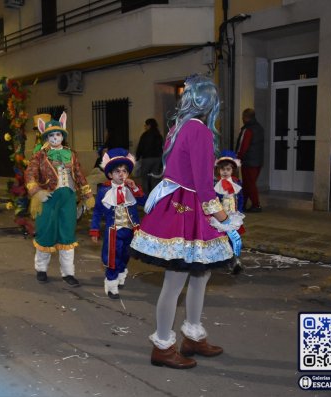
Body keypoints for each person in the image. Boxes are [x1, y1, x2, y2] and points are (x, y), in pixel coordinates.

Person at [130, 75, 243, 369]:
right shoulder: (200, 131)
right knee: (176, 280)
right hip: (190, 208)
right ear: (210, 102)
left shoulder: (178, 128)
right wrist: (224, 219)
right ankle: (163, 346)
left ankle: (192, 335)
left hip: (178, 205)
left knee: (200, 274)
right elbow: (205, 185)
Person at [25, 112, 94, 287]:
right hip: (48, 198)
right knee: (46, 232)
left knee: (67, 233)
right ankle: (41, 269)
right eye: (51, 135)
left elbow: (78, 175)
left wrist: (87, 194)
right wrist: (36, 192)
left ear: (62, 135)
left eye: (58, 134)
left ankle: (68, 273)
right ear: (46, 137)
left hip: (68, 198)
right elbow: (30, 173)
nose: (55, 137)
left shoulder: (71, 154)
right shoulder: (40, 155)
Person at [90, 148, 146, 299]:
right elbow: (97, 212)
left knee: (125, 255)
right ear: (110, 174)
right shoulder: (104, 191)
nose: (121, 174)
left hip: (130, 230)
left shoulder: (131, 189)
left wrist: (134, 188)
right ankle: (111, 284)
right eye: (117, 171)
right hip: (113, 231)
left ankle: (121, 272)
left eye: (124, 171)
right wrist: (94, 229)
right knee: (112, 257)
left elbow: (144, 202)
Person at [214, 150, 245, 274]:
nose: (225, 172)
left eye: (228, 169)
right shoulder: (216, 184)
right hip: (220, 217)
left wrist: (240, 211)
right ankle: (222, 259)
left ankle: (235, 259)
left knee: (235, 238)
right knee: (221, 239)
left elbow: (241, 197)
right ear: (218, 170)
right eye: (223, 170)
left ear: (233, 170)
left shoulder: (236, 183)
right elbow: (214, 200)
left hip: (233, 216)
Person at [235, 108, 264, 212]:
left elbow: (243, 146)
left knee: (249, 184)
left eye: (243, 117)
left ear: (246, 117)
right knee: (248, 184)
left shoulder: (248, 130)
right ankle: (243, 203)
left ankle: (256, 205)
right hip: (257, 161)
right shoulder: (259, 128)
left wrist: (237, 158)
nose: (242, 119)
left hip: (248, 161)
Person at [135, 118, 164, 195]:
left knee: (145, 179)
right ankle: (154, 196)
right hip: (157, 159)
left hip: (147, 159)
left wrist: (137, 157)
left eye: (146, 125)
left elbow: (140, 147)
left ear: (149, 125)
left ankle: (146, 196)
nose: (145, 127)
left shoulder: (145, 135)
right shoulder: (159, 135)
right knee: (155, 179)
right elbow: (162, 148)